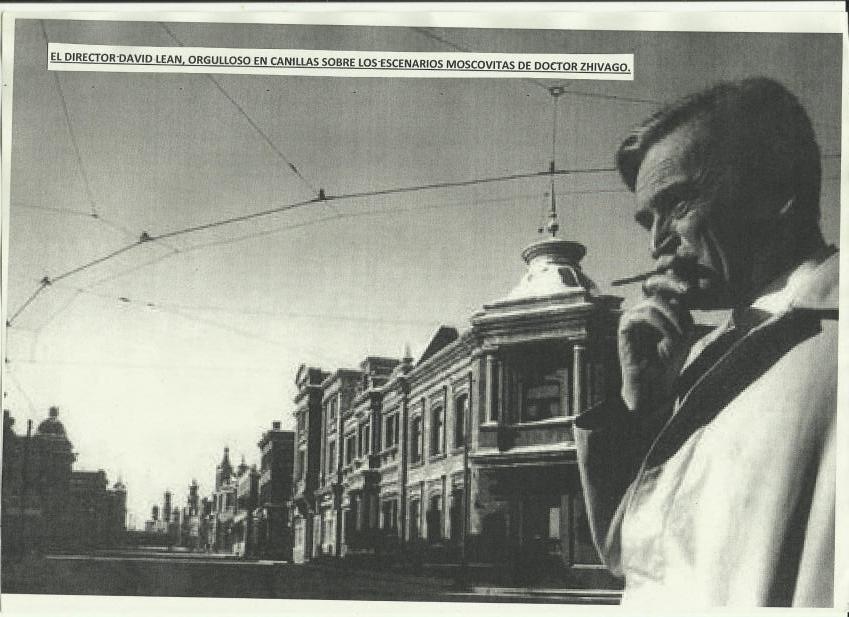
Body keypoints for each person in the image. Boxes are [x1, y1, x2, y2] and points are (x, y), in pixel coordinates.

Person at [574, 77, 839, 607]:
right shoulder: (702, 354)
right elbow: (632, 558)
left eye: (677, 205)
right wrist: (644, 409)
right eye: (647, 222)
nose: (657, 244)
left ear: (776, 191)